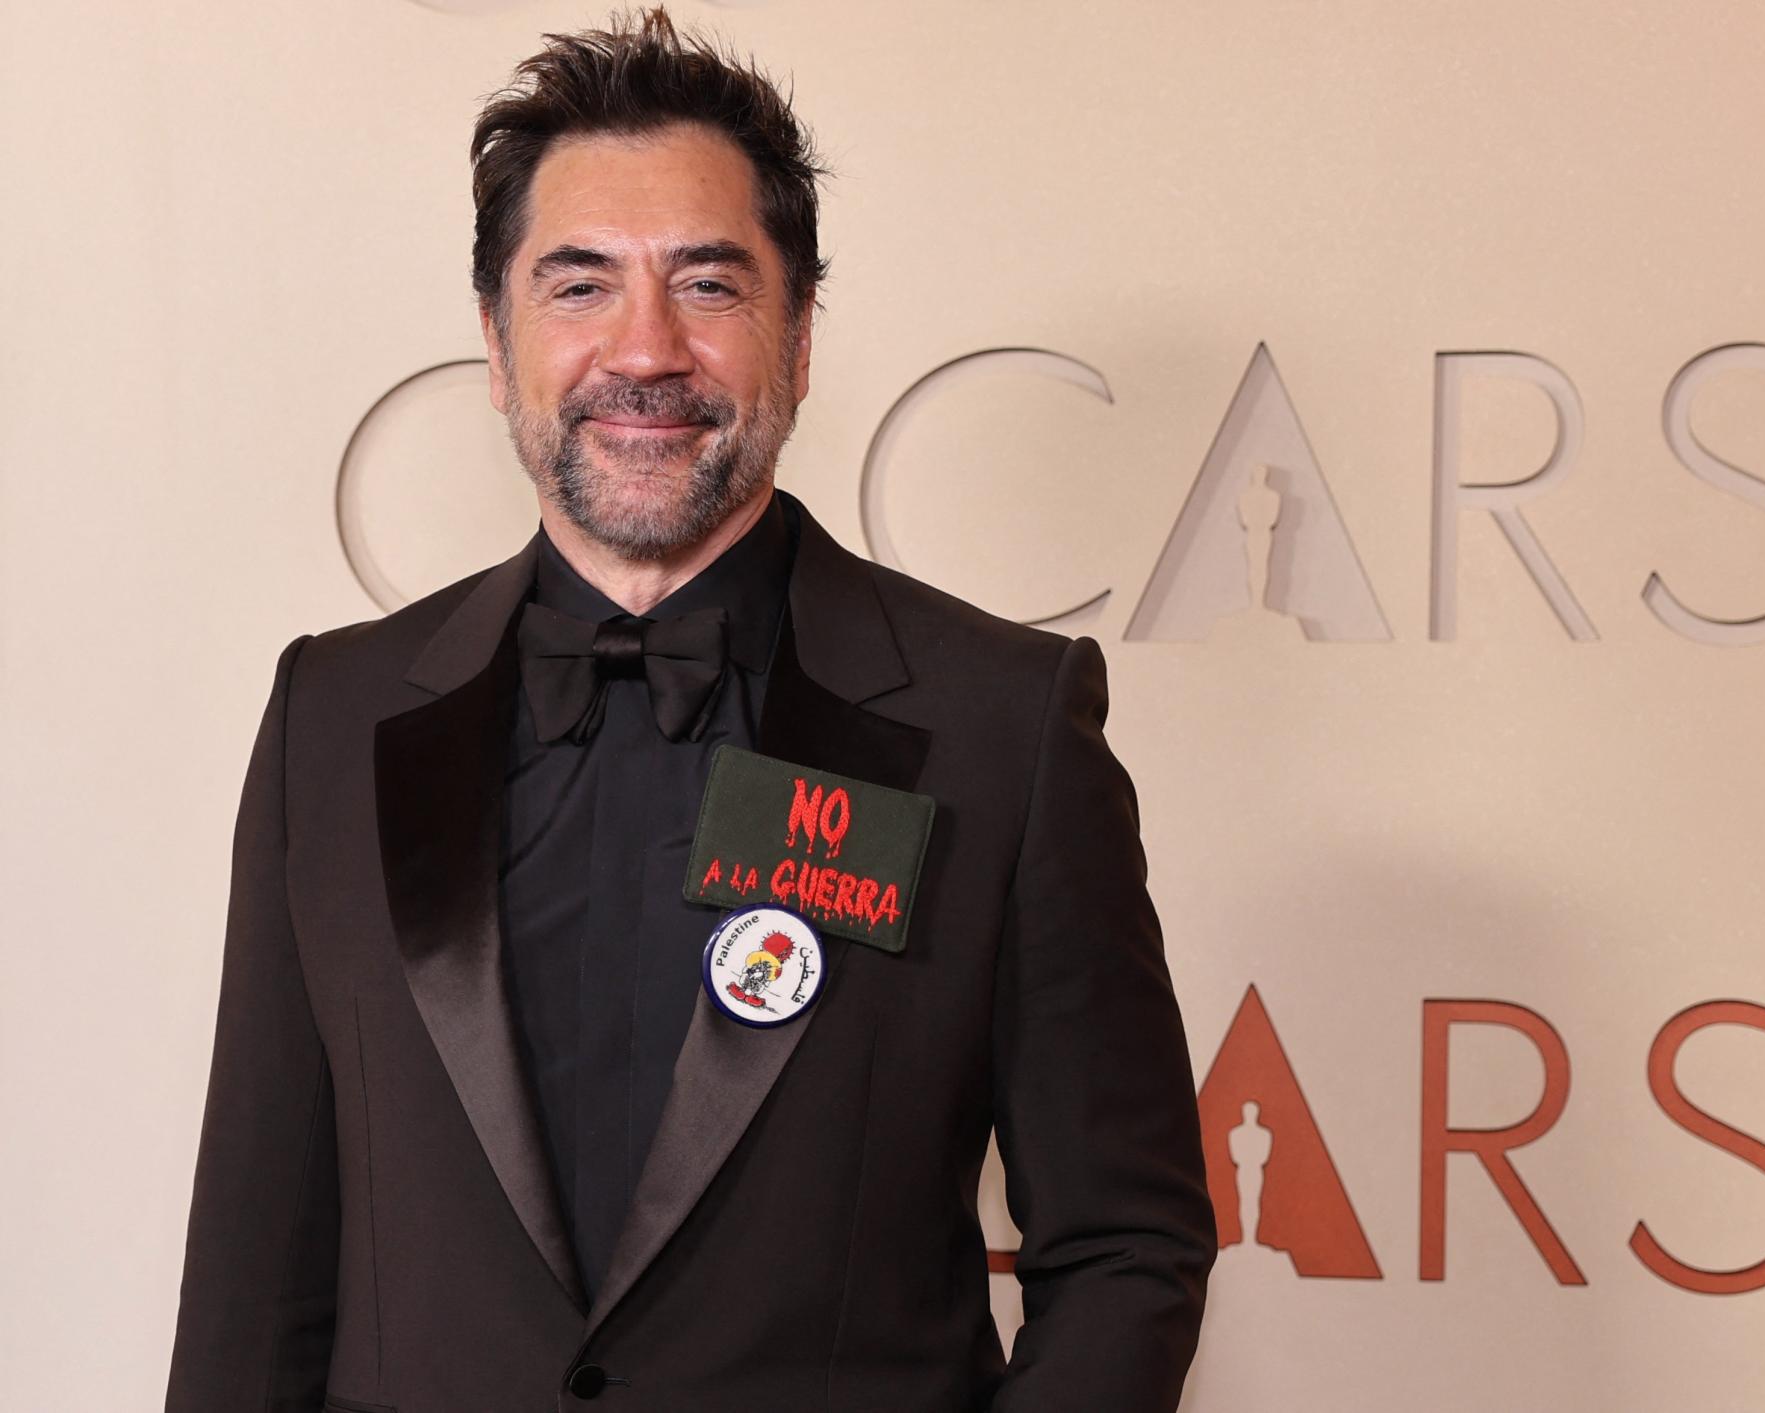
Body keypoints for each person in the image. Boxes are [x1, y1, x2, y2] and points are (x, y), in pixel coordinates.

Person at [163, 9, 1215, 1411]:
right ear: (498, 343)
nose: (644, 350)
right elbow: (256, 1280)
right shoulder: (332, 718)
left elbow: (1127, 1247)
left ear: (799, 336)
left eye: (708, 284)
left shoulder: (1000, 731)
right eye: (579, 284)